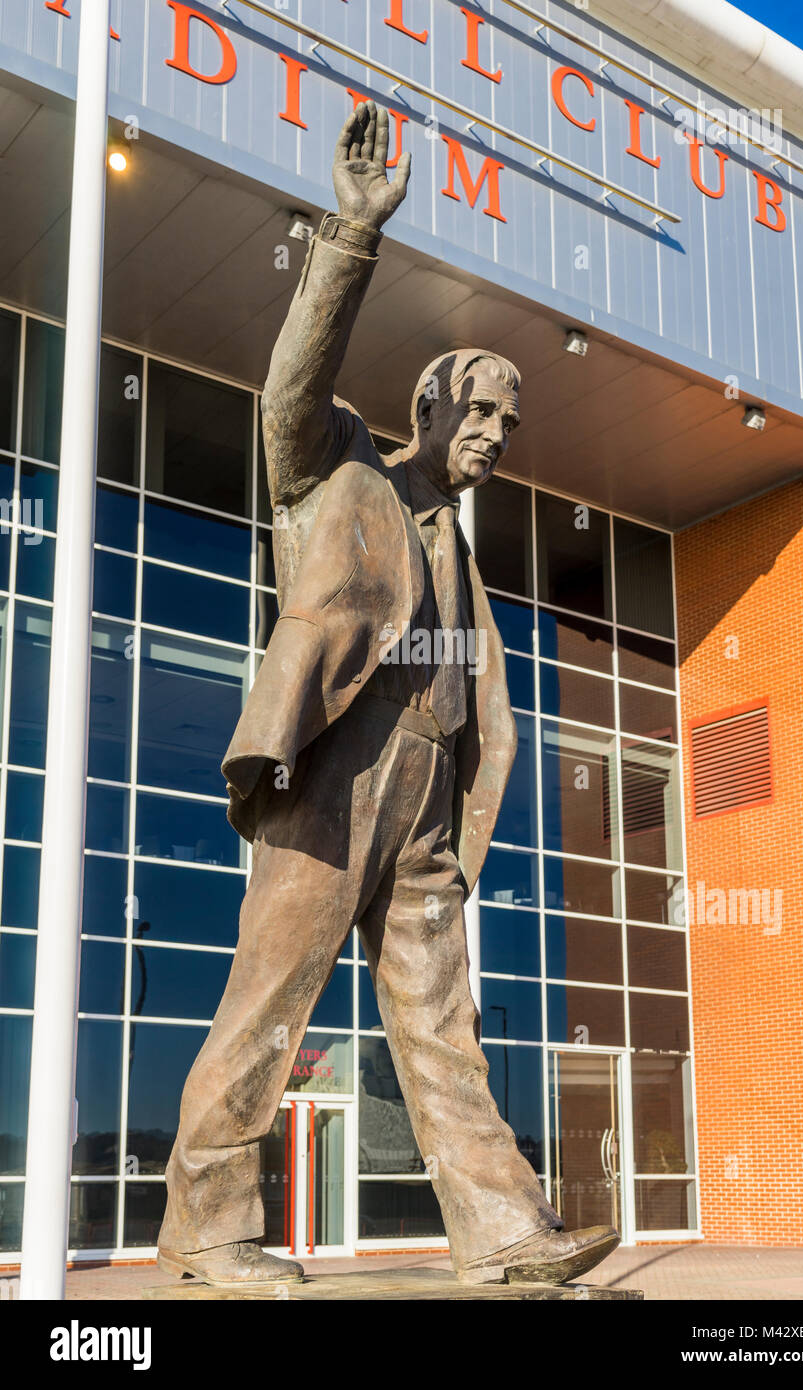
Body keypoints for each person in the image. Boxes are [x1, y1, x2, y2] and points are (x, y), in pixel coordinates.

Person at [157, 101, 618, 1289]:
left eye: (509, 423)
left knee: (441, 1031)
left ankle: (505, 1235)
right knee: (271, 997)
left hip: (421, 804)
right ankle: (206, 1228)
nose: (495, 436)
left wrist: (459, 838)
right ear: (426, 410)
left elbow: (489, 715)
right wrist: (351, 239)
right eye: (478, 414)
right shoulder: (336, 469)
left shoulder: (466, 559)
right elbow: (288, 393)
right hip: (332, 771)